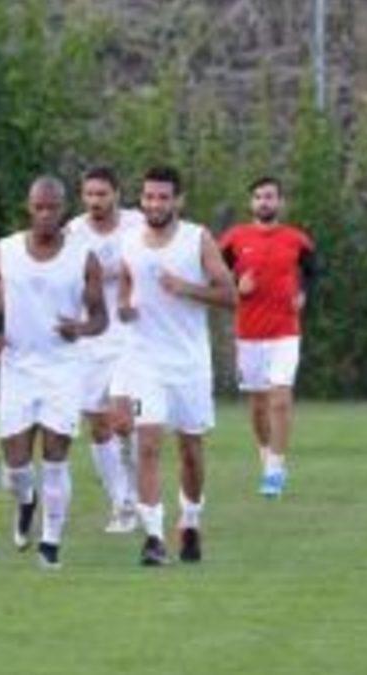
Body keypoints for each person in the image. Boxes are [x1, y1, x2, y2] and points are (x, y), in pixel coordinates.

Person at [0, 176, 107, 569]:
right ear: (29, 208)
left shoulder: (84, 256)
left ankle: (51, 543)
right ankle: (26, 500)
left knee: (55, 456)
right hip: (17, 367)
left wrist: (80, 328)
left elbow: (100, 317)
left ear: (63, 209)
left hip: (63, 369)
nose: (46, 214)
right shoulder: (5, 251)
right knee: (16, 467)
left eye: (52, 208)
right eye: (39, 207)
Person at [117, 165, 235, 566]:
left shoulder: (196, 238)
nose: (154, 204)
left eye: (163, 197)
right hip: (144, 361)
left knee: (190, 450)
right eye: (148, 197)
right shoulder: (129, 241)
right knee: (147, 443)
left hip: (189, 363)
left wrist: (185, 288)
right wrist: (124, 306)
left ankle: (191, 520)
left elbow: (230, 295)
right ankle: (153, 537)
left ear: (178, 201)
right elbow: (128, 283)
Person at [218, 177, 316, 497]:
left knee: (281, 398)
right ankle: (266, 455)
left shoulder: (296, 239)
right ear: (251, 203)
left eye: (270, 197)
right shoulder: (234, 238)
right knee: (258, 406)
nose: (264, 202)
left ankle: (275, 468)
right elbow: (214, 277)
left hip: (285, 331)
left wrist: (303, 292)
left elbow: (312, 271)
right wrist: (237, 287)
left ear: (280, 202)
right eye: (259, 197)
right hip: (248, 334)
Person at [64, 166, 146, 533]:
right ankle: (121, 503)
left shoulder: (136, 225)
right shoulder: (74, 232)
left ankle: (139, 493)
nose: (95, 201)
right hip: (91, 338)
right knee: (98, 424)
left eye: (102, 194)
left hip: (129, 336)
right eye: (89, 194)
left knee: (123, 420)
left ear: (116, 194)